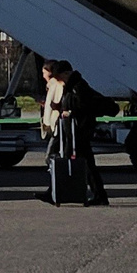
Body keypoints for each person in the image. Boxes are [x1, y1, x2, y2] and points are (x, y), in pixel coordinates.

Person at [40, 59, 111, 207]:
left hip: (78, 130)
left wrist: (69, 111)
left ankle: (57, 192)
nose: (60, 81)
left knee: (76, 162)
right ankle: (97, 195)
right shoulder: (72, 85)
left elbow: (82, 104)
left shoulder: (78, 86)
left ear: (66, 73)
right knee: (81, 163)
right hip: (74, 131)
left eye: (60, 77)